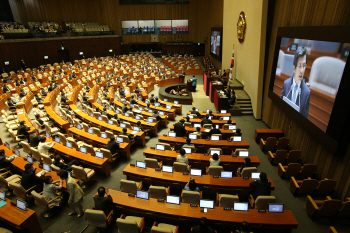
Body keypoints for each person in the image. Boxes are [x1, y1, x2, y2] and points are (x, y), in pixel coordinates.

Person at [280, 46, 310, 118]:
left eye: (304, 66)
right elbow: (280, 107)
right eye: (299, 66)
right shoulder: (286, 84)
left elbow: (304, 118)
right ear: (294, 68)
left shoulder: (307, 92)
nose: (302, 70)